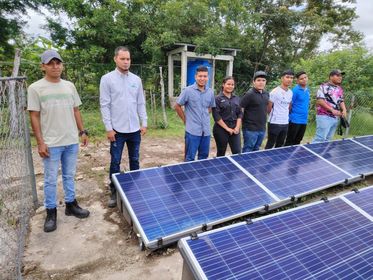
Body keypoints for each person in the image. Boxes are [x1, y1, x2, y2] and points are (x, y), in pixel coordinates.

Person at [27, 49, 90, 233]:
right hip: (51, 143)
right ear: (43, 66)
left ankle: (71, 205)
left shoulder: (69, 86)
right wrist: (40, 142)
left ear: (62, 65)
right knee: (50, 179)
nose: (55, 66)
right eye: (51, 63)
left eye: (58, 63)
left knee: (70, 175)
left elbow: (76, 110)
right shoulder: (35, 88)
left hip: (71, 140)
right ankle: (51, 212)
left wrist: (82, 131)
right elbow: (34, 116)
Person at [100, 46, 147, 208]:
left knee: (135, 159)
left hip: (134, 129)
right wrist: (108, 128)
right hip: (117, 130)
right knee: (115, 161)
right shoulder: (107, 79)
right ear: (115, 59)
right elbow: (104, 105)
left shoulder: (136, 80)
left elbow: (140, 102)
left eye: (128, 59)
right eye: (123, 59)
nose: (126, 62)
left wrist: (144, 122)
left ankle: (136, 188)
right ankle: (114, 189)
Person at [174, 66, 216, 161]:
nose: (202, 78)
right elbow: (177, 106)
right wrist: (185, 120)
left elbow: (210, 107)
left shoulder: (210, 92)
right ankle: (188, 175)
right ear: (195, 77)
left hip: (206, 131)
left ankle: (200, 176)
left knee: (204, 157)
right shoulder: (188, 91)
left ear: (208, 77)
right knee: (189, 157)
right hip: (192, 131)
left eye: (205, 76)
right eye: (200, 76)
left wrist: (204, 116)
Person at [312, 69, 347, 143]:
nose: (340, 77)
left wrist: (344, 109)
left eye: (341, 76)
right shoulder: (323, 87)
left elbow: (341, 100)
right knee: (319, 139)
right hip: (324, 116)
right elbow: (320, 101)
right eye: (337, 75)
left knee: (328, 140)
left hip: (335, 117)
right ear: (331, 77)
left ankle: (322, 154)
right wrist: (332, 110)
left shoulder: (339, 88)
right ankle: (310, 154)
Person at [212, 76, 242, 157]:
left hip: (235, 128)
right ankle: (219, 168)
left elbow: (240, 113)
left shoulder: (237, 98)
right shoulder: (217, 99)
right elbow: (216, 116)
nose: (230, 86)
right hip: (221, 129)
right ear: (223, 85)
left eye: (232, 84)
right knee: (221, 152)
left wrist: (237, 127)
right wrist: (227, 129)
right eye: (228, 84)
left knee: (237, 152)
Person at [240, 71, 269, 152]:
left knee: (256, 149)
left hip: (262, 128)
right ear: (254, 82)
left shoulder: (266, 94)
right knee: (248, 149)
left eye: (263, 80)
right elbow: (241, 108)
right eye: (258, 80)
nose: (261, 82)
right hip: (250, 129)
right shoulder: (249, 94)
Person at [265, 70, 294, 149]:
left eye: (291, 78)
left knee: (280, 144)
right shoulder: (274, 92)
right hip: (274, 122)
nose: (289, 79)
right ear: (282, 78)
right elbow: (269, 108)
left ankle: (276, 161)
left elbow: (289, 106)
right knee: (270, 143)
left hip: (285, 122)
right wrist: (274, 116)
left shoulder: (291, 92)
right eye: (287, 77)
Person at [285, 71, 310, 146]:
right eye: (301, 79)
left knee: (298, 140)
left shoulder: (307, 90)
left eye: (305, 77)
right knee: (290, 141)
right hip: (295, 119)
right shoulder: (295, 91)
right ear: (297, 81)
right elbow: (289, 104)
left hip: (304, 120)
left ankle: (294, 156)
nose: (304, 79)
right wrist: (291, 116)